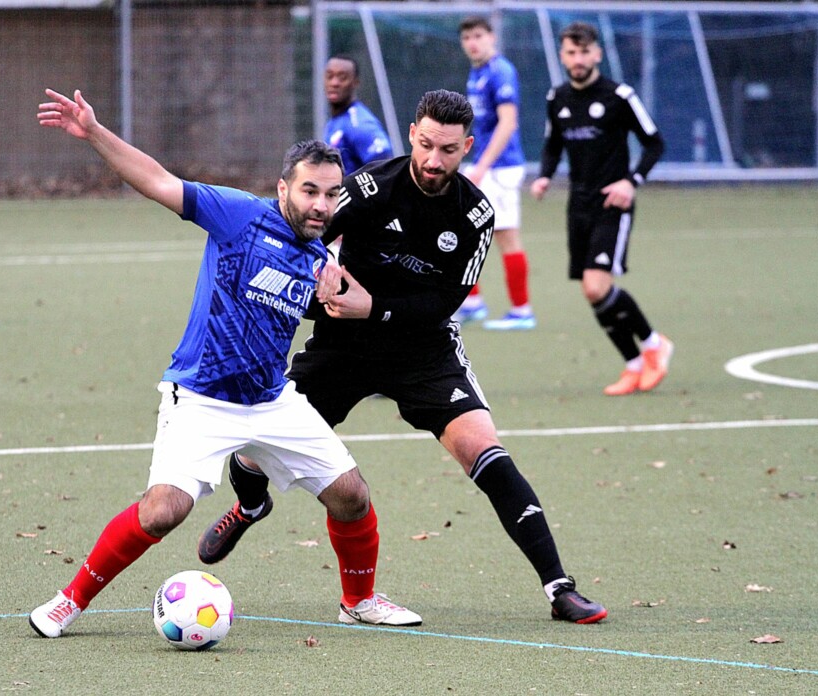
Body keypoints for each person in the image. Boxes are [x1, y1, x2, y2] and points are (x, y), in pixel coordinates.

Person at [199, 89, 607, 625]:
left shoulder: (475, 214)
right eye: (427, 145)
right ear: (414, 133)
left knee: (486, 451)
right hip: (344, 347)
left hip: (423, 348)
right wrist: (317, 278)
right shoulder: (369, 187)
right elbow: (307, 232)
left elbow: (444, 304)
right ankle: (251, 505)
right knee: (254, 451)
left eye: (449, 150)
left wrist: (377, 308)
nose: (435, 160)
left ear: (468, 147)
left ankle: (560, 588)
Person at [28, 88, 421, 639]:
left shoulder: (317, 254)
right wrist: (94, 132)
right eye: (309, 190)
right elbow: (158, 180)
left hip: (271, 400)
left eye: (331, 195)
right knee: (163, 510)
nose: (320, 205)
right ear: (284, 186)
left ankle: (357, 601)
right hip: (203, 398)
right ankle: (69, 601)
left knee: (352, 496)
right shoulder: (238, 215)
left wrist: (340, 293)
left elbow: (348, 303)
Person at [530, 22, 673, 396]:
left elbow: (654, 144)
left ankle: (655, 344)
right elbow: (552, 146)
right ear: (562, 56)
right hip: (578, 203)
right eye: (570, 53)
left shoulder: (619, 95)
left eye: (584, 52)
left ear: (597, 53)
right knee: (591, 290)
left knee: (597, 285)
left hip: (613, 201)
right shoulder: (556, 98)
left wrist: (631, 182)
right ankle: (634, 364)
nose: (578, 59)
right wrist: (544, 176)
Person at [454, 16, 536, 331]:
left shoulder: (501, 71)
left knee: (505, 237)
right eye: (467, 38)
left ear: (491, 37)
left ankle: (522, 310)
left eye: (478, 35)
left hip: (500, 168)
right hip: (484, 165)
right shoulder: (477, 74)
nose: (473, 42)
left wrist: (481, 167)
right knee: (464, 230)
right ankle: (473, 302)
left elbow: (508, 123)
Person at [323, 54, 394, 177]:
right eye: (330, 76)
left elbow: (385, 164)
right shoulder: (335, 122)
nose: (334, 83)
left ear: (355, 82)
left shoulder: (359, 123)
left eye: (342, 77)